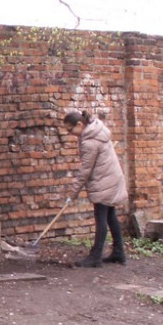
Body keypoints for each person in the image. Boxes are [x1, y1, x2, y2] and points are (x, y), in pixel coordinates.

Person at [64, 110, 128, 268]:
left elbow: (85, 171)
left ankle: (95, 256)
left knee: (101, 217)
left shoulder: (90, 142)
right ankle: (119, 252)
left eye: (70, 130)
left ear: (80, 124)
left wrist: (73, 193)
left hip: (104, 182)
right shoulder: (97, 131)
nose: (70, 134)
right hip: (111, 177)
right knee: (110, 215)